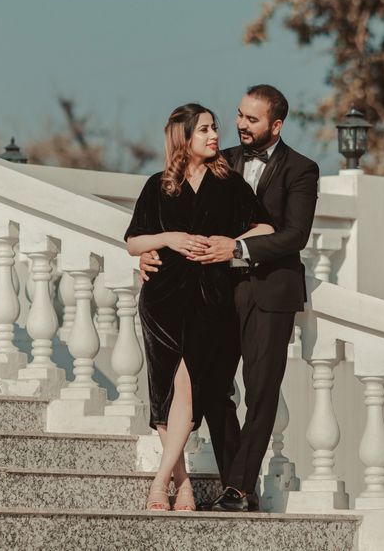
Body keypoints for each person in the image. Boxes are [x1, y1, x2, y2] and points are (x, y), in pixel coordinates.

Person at [141, 85, 319, 512]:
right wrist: (152, 252)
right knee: (213, 388)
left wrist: (236, 248)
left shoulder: (302, 169)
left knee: (260, 391)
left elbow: (294, 234)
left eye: (251, 119)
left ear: (276, 125)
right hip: (218, 295)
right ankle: (234, 479)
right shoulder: (223, 163)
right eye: (238, 115)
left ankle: (239, 488)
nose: (239, 125)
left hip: (270, 293)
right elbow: (181, 217)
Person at [125, 103, 274, 511]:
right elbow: (134, 241)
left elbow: (265, 227)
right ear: (183, 137)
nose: (214, 136)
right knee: (164, 394)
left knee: (188, 389)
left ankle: (160, 484)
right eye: (205, 129)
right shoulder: (158, 184)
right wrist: (168, 237)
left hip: (211, 300)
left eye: (215, 128)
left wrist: (229, 248)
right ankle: (184, 485)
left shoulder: (229, 183)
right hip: (162, 299)